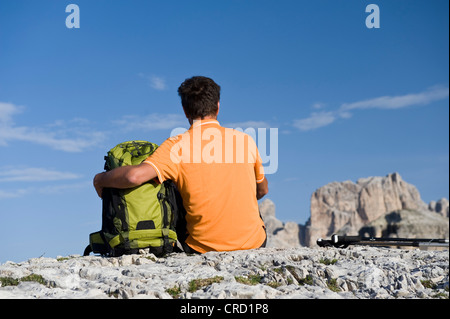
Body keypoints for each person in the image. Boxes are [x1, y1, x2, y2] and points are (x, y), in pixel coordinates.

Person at [93, 76, 269, 254]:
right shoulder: (245, 140)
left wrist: (100, 179)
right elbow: (262, 190)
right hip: (254, 243)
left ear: (185, 111)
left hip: (202, 248)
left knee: (168, 183)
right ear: (217, 106)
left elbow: (134, 177)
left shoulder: (176, 146)